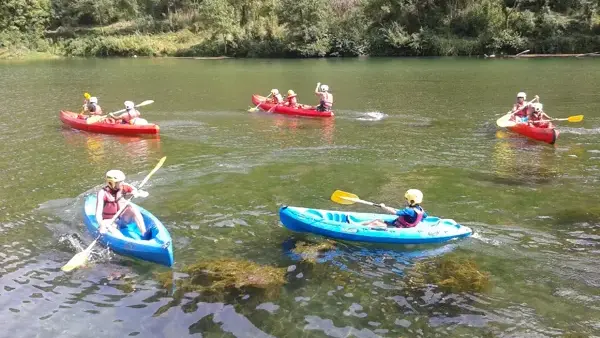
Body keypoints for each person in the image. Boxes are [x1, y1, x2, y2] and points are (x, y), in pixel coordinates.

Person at [95, 169, 151, 239]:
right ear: (112, 183)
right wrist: (101, 224)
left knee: (133, 209)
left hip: (123, 219)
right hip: (111, 221)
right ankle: (123, 240)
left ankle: (144, 233)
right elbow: (98, 213)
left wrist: (137, 193)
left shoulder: (125, 186)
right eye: (120, 182)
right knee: (104, 224)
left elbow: (143, 193)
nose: (123, 183)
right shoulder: (102, 193)